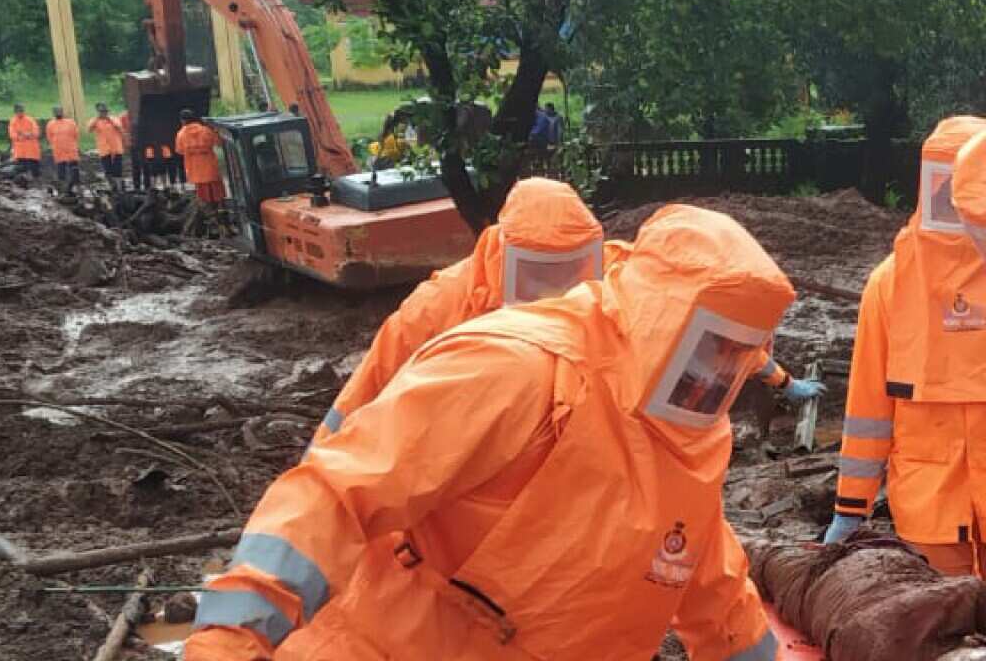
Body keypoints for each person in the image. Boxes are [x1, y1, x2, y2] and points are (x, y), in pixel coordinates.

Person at [185, 204, 794, 661]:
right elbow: (339, 489)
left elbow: (713, 589)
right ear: (664, 316)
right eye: (710, 346)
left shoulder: (692, 445)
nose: (715, 373)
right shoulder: (519, 369)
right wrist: (234, 634)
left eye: (736, 355)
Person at [313, 178, 822, 443]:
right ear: (501, 254)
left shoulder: (619, 274)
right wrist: (319, 488)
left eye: (571, 269)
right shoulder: (438, 308)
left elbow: (695, 332)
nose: (557, 290)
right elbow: (361, 398)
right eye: (538, 271)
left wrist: (778, 378)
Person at [824, 117, 986, 578]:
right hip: (928, 509)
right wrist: (850, 507)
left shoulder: (887, 282)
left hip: (925, 496)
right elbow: (868, 409)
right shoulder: (890, 285)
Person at [175, 109, 226, 229]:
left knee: (204, 200)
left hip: (196, 173)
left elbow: (180, 150)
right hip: (211, 170)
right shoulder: (205, 130)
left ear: (182, 121)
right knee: (218, 198)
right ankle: (224, 221)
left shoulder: (181, 134)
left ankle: (212, 225)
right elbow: (218, 142)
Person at [87, 103, 125, 194]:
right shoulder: (95, 121)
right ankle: (113, 186)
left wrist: (109, 119)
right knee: (108, 170)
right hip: (104, 149)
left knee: (118, 170)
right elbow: (89, 129)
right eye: (101, 111)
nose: (103, 113)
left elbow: (119, 127)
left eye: (105, 111)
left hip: (116, 148)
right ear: (98, 112)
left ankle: (119, 188)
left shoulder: (114, 119)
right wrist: (97, 118)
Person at [45, 106, 80, 195]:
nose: (58, 113)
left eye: (60, 111)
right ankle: (62, 187)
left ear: (62, 112)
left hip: (71, 149)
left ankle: (76, 186)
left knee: (74, 168)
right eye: (56, 112)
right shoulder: (50, 124)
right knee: (61, 169)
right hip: (58, 150)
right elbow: (49, 137)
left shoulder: (71, 122)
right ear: (53, 113)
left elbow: (76, 135)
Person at [7, 103, 41, 178]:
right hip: (20, 152)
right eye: (19, 111)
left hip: (32, 151)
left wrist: (28, 135)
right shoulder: (13, 121)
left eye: (22, 110)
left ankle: (35, 180)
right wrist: (23, 136)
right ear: (15, 111)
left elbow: (36, 132)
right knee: (21, 169)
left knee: (34, 170)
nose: (21, 112)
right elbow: (12, 135)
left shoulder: (30, 120)